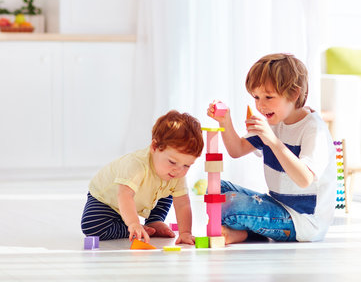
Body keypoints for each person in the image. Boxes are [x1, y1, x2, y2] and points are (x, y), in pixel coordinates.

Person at [208, 53, 336, 244]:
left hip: (303, 222)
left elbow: (304, 179)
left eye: (268, 97)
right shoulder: (274, 121)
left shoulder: (313, 129)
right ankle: (249, 232)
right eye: (256, 97)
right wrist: (225, 121)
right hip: (277, 206)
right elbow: (236, 150)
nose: (260, 105)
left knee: (230, 205)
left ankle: (249, 231)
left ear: (293, 94)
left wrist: (273, 142)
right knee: (216, 188)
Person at [81, 110, 204, 244]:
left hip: (144, 198)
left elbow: (182, 203)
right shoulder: (136, 165)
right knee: (91, 227)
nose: (179, 170)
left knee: (172, 188)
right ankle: (128, 226)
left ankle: (154, 220)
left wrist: (185, 232)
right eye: (172, 162)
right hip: (107, 200)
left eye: (187, 165)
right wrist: (133, 224)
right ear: (154, 147)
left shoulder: (175, 172)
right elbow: (124, 195)